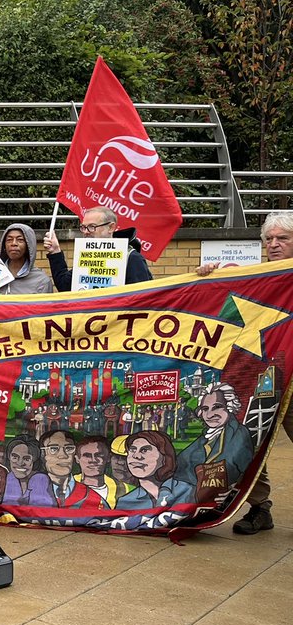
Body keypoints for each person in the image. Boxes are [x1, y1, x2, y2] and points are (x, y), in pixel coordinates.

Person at [196, 211, 293, 534]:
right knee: (249, 442)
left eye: (283, 239)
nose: (274, 245)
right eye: (269, 239)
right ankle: (259, 508)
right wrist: (207, 277)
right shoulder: (255, 277)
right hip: (261, 378)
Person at [42, 206, 153, 290]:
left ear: (111, 227)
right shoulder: (89, 255)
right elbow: (64, 286)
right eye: (83, 227)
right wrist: (55, 252)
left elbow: (141, 299)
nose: (85, 232)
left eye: (92, 227)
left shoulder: (132, 257)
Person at [173, 382, 254, 491]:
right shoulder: (204, 437)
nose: (210, 414)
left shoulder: (239, 433)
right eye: (205, 409)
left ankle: (261, 503)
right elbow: (180, 464)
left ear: (229, 406)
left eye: (217, 407)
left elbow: (239, 469)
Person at [116, 430, 195, 510]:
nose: (136, 456)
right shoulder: (125, 502)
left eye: (144, 450)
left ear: (164, 457)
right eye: (132, 450)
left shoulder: (188, 491)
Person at [37, 429, 104, 509]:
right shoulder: (32, 494)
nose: (63, 455)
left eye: (68, 449)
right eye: (53, 449)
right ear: (42, 455)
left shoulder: (92, 497)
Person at [0, 224, 52, 294]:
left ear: (29, 246)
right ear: (3, 245)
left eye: (20, 240)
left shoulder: (41, 281)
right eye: (9, 240)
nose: (13, 243)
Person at [74, 435, 123, 508]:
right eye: (87, 456)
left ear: (108, 458)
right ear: (77, 459)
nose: (93, 460)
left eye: (99, 455)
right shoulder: (67, 487)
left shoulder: (124, 490)